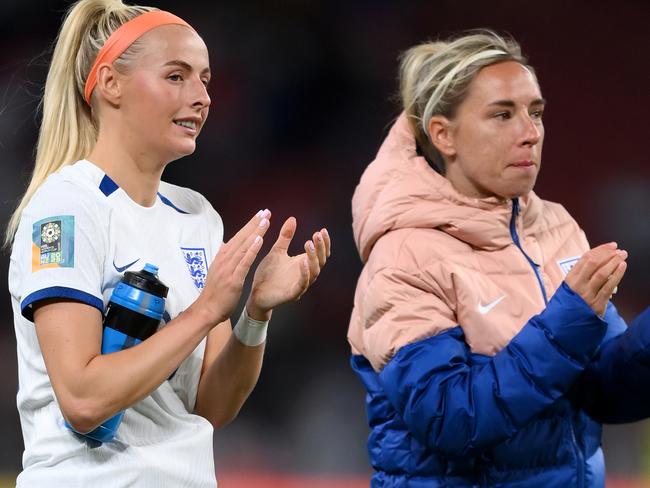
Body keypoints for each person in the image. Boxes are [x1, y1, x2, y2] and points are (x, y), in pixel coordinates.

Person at [6, 1, 330, 486]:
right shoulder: (67, 208)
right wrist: (203, 312)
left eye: (205, 79)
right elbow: (83, 401)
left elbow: (212, 406)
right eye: (176, 76)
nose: (201, 96)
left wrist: (255, 314)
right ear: (111, 84)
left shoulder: (198, 217)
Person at [348, 30, 650, 487]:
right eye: (502, 115)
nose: (530, 134)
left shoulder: (557, 229)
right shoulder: (404, 255)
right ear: (443, 135)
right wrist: (568, 322)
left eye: (536, 113)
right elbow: (451, 418)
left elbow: (602, 392)